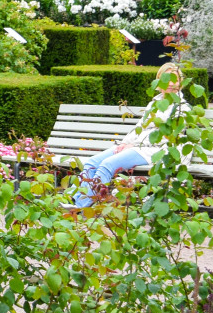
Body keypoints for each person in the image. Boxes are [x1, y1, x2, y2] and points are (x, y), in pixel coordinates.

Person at [71, 63, 184, 207]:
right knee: (91, 163)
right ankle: (73, 200)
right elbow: (139, 127)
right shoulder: (154, 103)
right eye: (165, 78)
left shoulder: (181, 107)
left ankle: (82, 205)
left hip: (154, 151)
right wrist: (124, 143)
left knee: (107, 165)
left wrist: (134, 145)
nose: (169, 83)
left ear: (180, 82)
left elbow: (165, 137)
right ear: (158, 81)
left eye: (174, 78)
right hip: (137, 147)